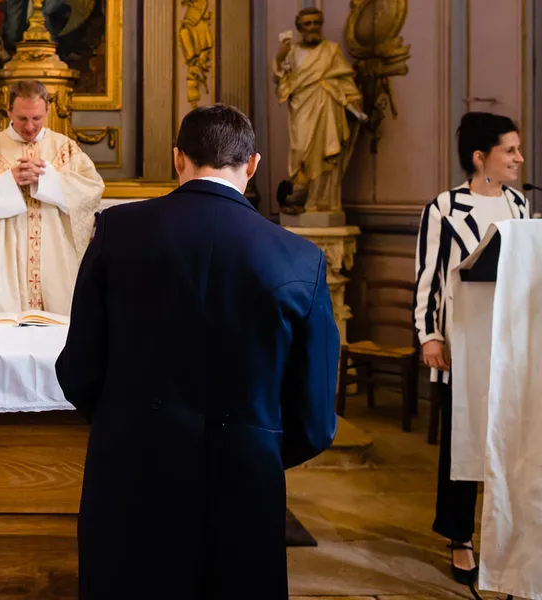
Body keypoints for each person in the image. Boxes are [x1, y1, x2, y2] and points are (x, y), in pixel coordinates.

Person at [55, 104, 340, 599]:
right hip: (244, 481)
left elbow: (79, 368)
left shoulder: (117, 232)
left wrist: (127, 427)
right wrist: (254, 444)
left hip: (131, 472)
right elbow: (315, 419)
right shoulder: (301, 257)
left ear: (177, 159)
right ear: (251, 165)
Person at [414, 111, 529, 585]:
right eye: (510, 151)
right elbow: (426, 277)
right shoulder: (443, 208)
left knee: (511, 442)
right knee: (463, 447)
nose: (519, 158)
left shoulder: (520, 206)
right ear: (481, 157)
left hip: (512, 344)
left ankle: (508, 532)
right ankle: (461, 537)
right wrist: (430, 336)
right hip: (462, 344)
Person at [0, 79, 105, 316]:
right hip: (2, 263)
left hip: (55, 264)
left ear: (47, 112)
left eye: (37, 118)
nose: (30, 127)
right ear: (9, 111)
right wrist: (6, 182)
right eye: (22, 118)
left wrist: (48, 180)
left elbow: (91, 190)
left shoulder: (65, 149)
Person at [273, 7, 365, 213]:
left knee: (327, 154)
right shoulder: (292, 52)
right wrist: (280, 59)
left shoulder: (331, 50)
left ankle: (322, 203)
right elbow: (282, 84)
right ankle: (302, 200)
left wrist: (354, 102)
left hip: (328, 110)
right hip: (302, 110)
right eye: (308, 23)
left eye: (316, 23)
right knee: (301, 154)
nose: (313, 27)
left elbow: (346, 82)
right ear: (300, 27)